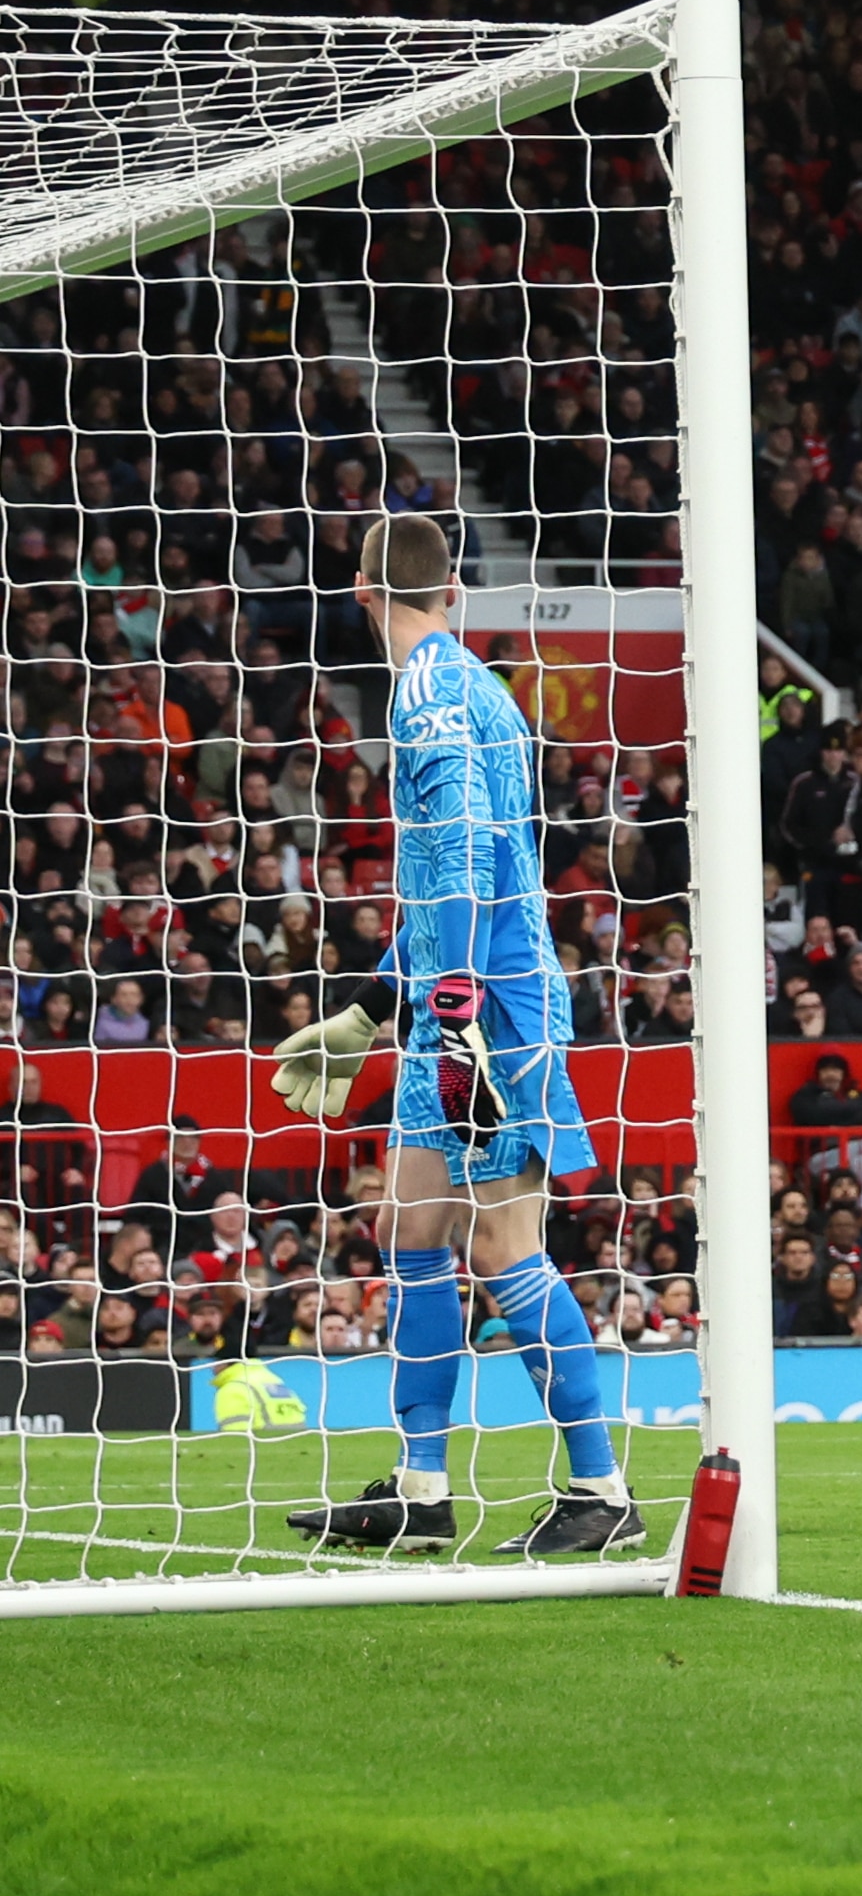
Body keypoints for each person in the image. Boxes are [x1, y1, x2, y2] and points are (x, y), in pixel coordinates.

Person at [273, 515, 635, 1558]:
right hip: (453, 995)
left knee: (502, 1244)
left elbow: (471, 850)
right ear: (456, 590)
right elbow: (439, 887)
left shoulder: (427, 688)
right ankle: (423, 1486)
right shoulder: (482, 687)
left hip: (490, 1009)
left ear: (359, 589)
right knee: (415, 1233)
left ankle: (602, 1490)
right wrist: (376, 1009)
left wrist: (458, 1005)